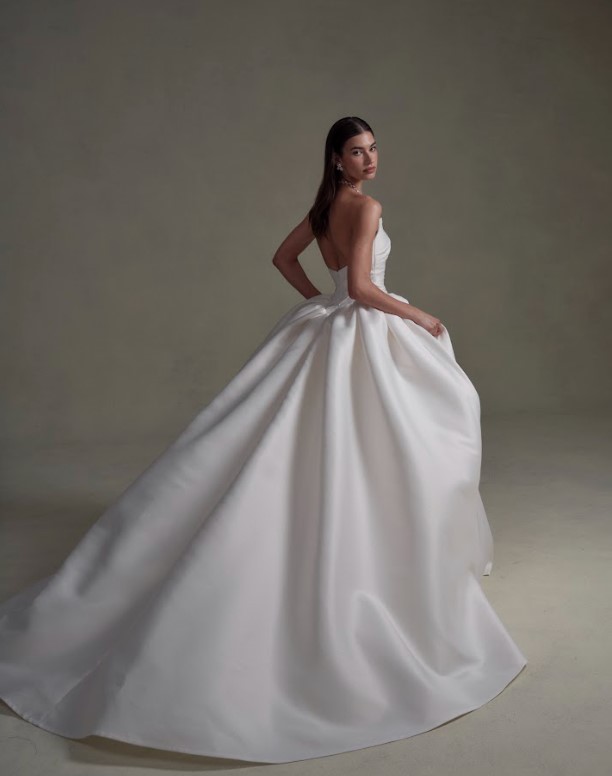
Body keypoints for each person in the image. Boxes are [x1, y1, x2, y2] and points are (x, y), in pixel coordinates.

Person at [0, 116, 527, 764]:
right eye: (357, 151)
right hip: (364, 329)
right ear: (337, 159)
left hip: (330, 327)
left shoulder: (324, 207)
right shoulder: (364, 207)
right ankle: (394, 552)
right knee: (396, 436)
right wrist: (416, 315)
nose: (369, 159)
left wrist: (318, 303)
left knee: (311, 445)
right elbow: (362, 288)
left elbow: (288, 260)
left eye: (372, 148)